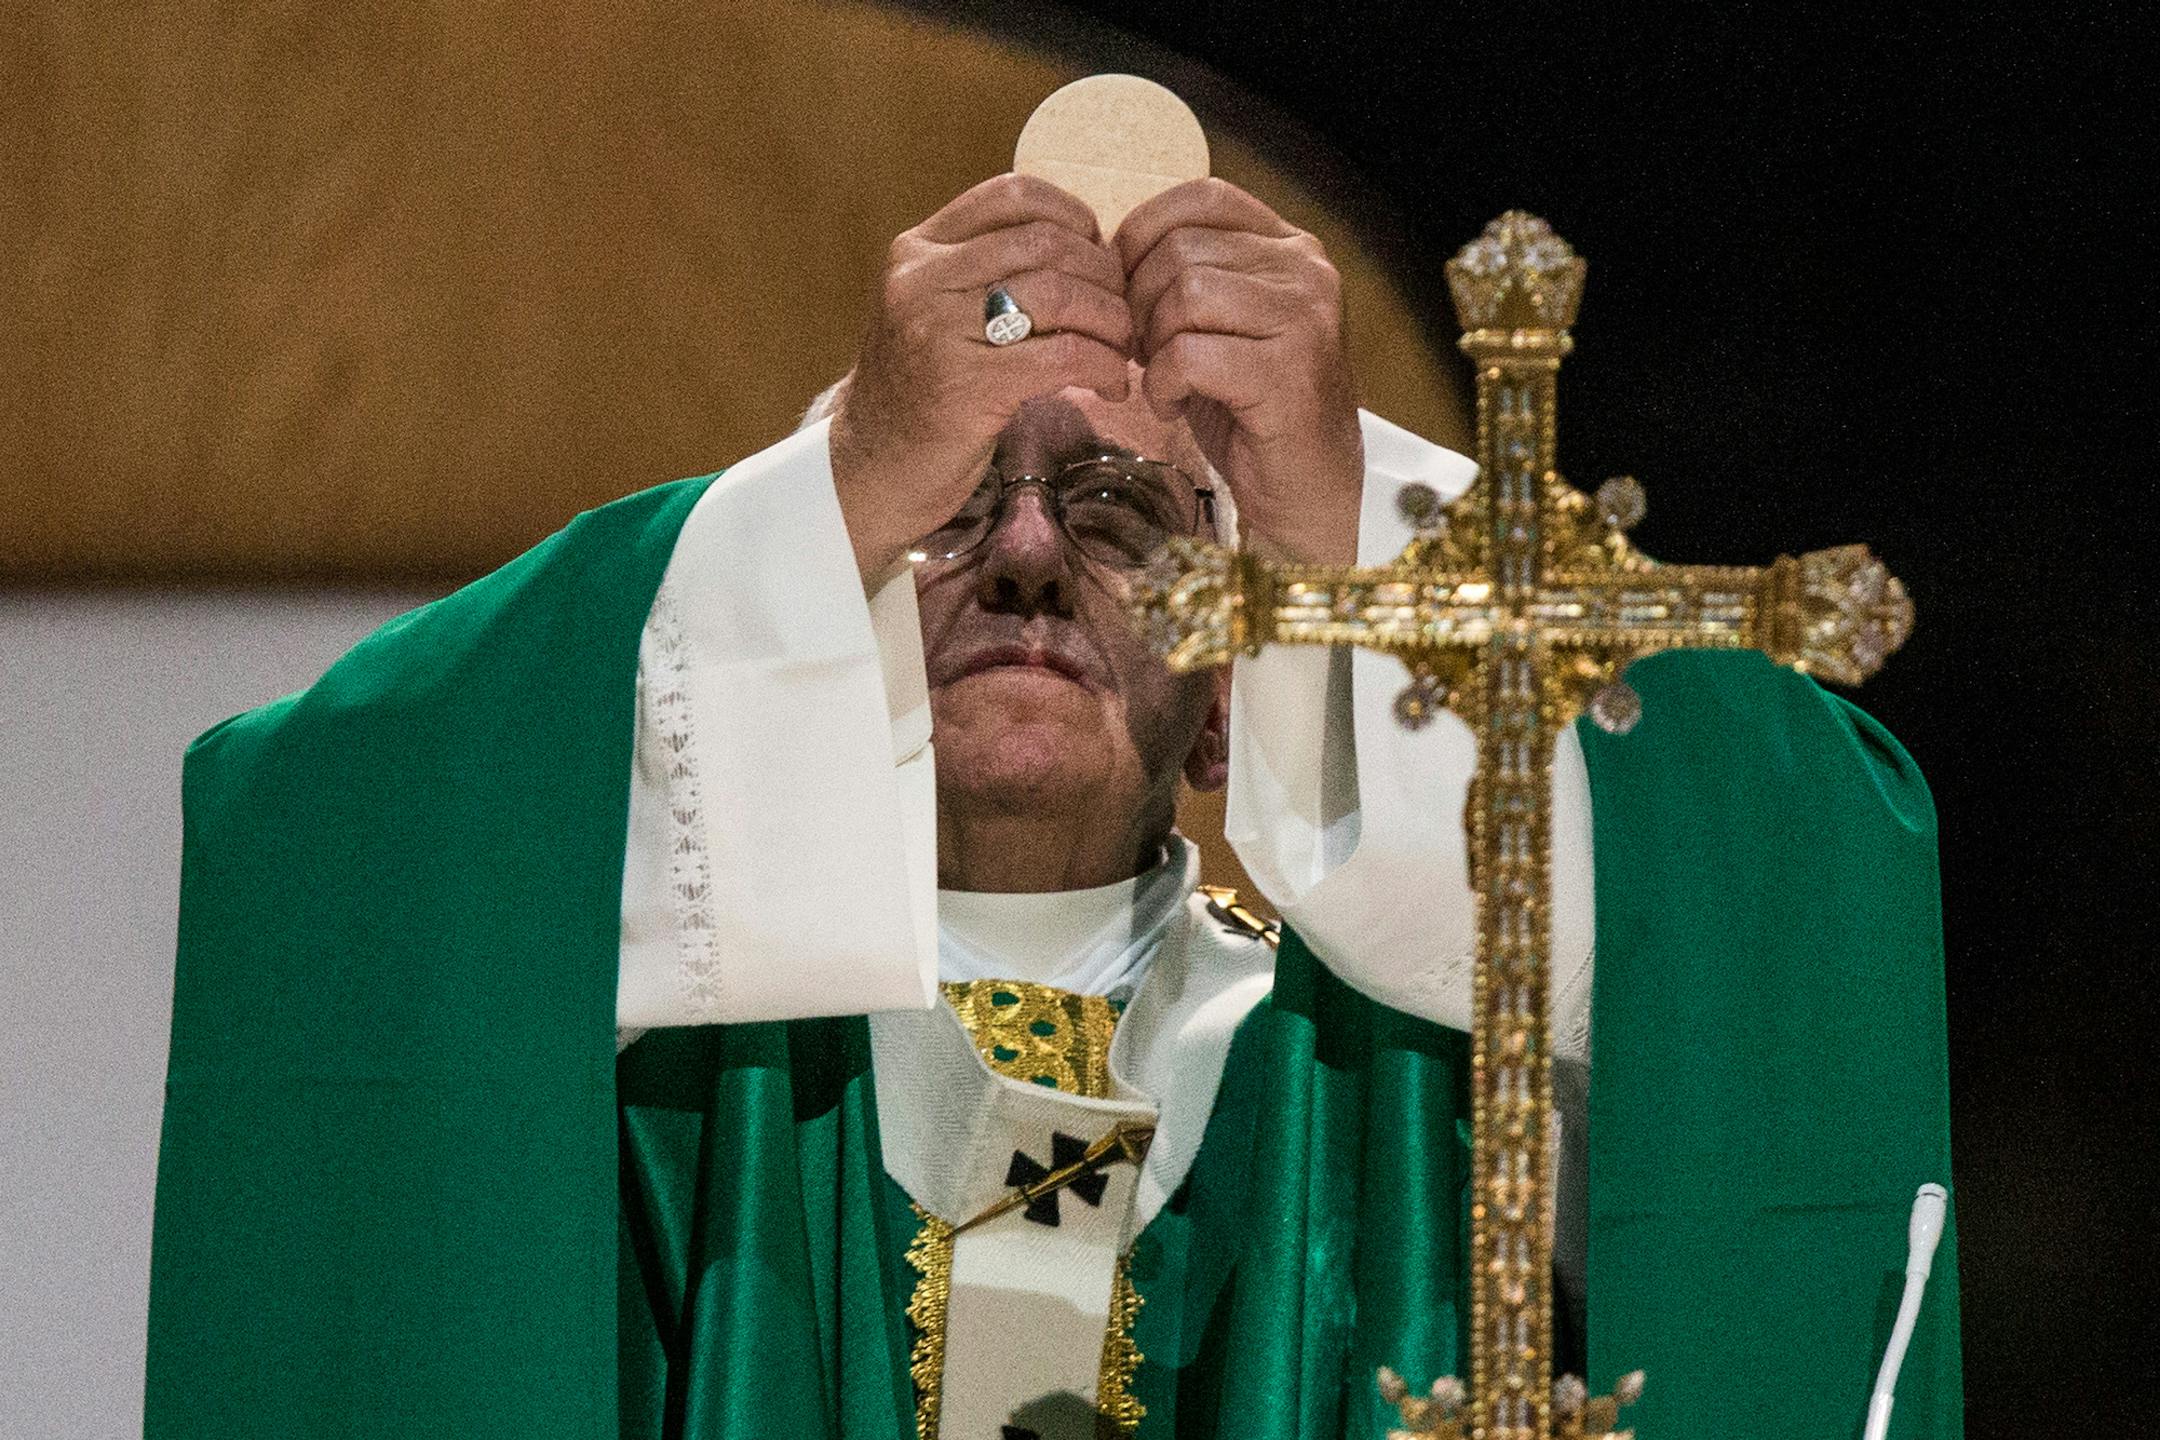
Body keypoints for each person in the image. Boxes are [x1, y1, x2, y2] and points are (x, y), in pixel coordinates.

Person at [145, 176, 1962, 1439]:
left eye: (1118, 512)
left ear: (1245, 690)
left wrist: (1347, 505)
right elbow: (321, 839)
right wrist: (840, 469)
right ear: (814, 620)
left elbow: (1781, 909)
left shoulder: (1441, 1086)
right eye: (943, 504)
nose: (1022, 558)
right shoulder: (610, 1054)